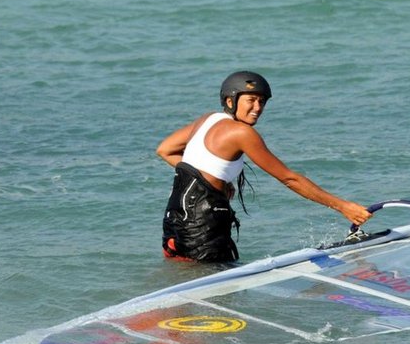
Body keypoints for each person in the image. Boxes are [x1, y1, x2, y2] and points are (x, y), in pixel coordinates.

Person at [156, 71, 372, 262]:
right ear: (230, 100)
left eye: (262, 102)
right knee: (221, 290)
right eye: (251, 100)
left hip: (175, 221)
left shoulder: (208, 119)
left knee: (187, 281)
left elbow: (166, 150)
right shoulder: (242, 132)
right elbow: (290, 179)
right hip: (202, 229)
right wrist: (343, 207)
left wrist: (214, 180)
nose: (257, 108)